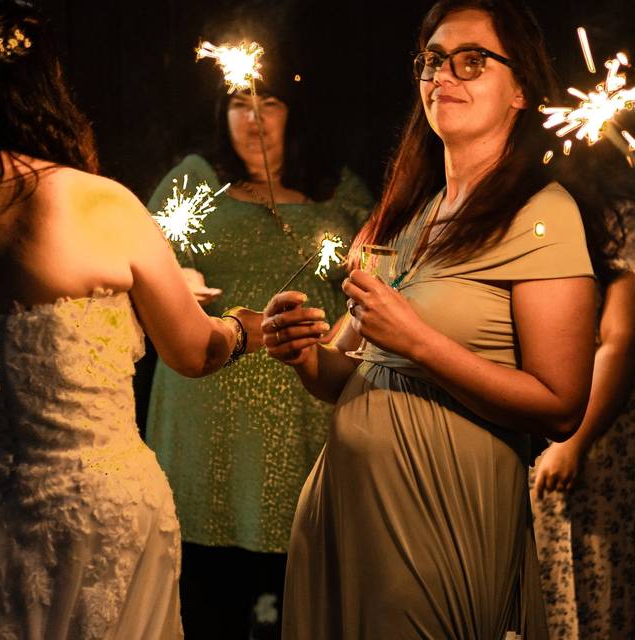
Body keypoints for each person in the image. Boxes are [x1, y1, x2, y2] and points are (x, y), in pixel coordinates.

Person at [0, 0, 301, 637]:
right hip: (81, 529)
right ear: (41, 91)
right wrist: (243, 327)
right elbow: (194, 352)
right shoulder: (96, 204)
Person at [264, 1, 597, 637]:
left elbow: (560, 405)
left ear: (521, 88)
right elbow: (343, 372)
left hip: (440, 511)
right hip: (345, 512)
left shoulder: (541, 214)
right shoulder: (402, 211)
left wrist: (417, 341)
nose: (444, 77)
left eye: (472, 62)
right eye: (432, 61)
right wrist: (306, 350)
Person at [145, 54, 373, 638]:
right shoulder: (194, 181)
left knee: (304, 604)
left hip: (303, 419)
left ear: (294, 111)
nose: (252, 118)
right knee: (206, 602)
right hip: (205, 424)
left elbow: (376, 289)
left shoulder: (339, 192)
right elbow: (146, 275)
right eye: (238, 104)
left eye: (267, 103)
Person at [530, 148, 635, 639]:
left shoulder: (621, 224)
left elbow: (619, 346)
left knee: (598, 588)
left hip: (597, 431)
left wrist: (573, 443)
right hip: (533, 422)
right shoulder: (531, 220)